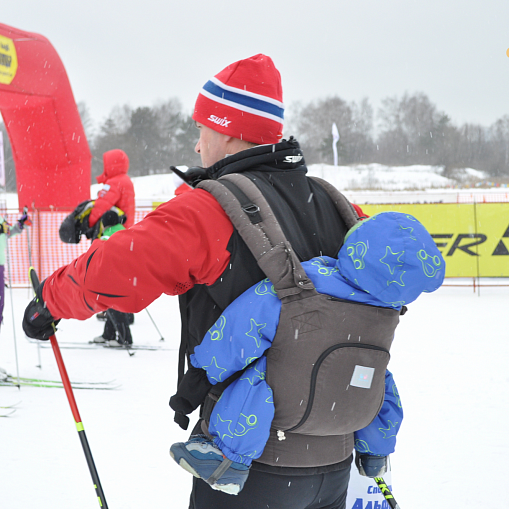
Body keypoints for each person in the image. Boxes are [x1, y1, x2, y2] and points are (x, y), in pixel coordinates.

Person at [23, 54, 395, 509]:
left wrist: (51, 300)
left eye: (201, 130)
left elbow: (115, 267)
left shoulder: (213, 209)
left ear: (228, 130)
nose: (197, 147)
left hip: (248, 466)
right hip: (336, 459)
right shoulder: (338, 206)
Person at [169, 211, 444, 495]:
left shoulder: (304, 284)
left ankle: (229, 460)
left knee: (256, 383)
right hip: (347, 412)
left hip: (287, 411)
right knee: (379, 383)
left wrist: (204, 370)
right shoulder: (388, 310)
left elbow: (240, 330)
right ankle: (376, 453)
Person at [89, 149, 135, 346]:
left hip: (112, 239)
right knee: (110, 288)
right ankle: (110, 333)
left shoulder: (115, 183)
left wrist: (89, 222)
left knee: (110, 288)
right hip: (122, 237)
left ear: (111, 164)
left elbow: (100, 206)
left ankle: (124, 337)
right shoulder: (125, 181)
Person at [0, 211, 31, 330]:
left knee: (1, 298)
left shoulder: (0, 219)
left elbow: (8, 232)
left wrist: (20, 224)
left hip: (0, 264)